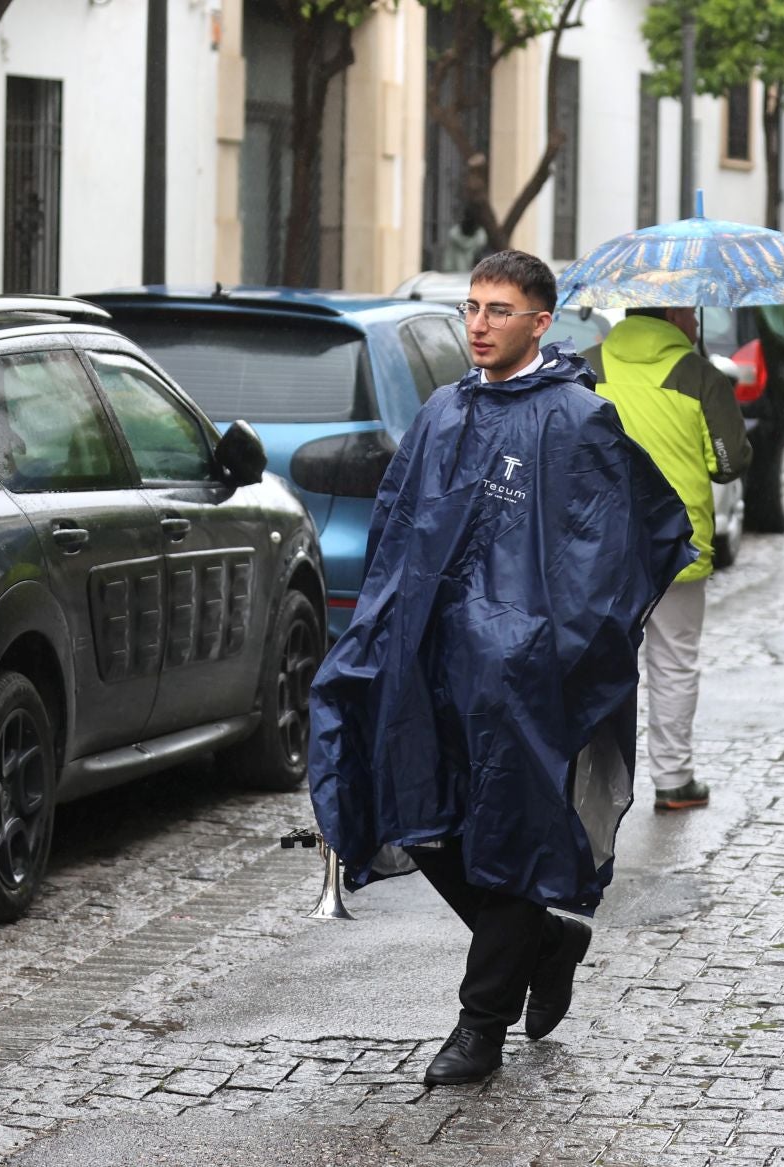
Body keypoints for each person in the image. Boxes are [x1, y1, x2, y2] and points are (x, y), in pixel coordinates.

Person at [307, 250, 694, 1088]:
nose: (478, 323)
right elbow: (399, 533)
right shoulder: (444, 412)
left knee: (511, 836)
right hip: (431, 665)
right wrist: (374, 640)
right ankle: (548, 942)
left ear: (540, 322)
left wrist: (543, 648)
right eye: (472, 307)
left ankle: (479, 1023)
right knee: (425, 819)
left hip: (524, 682)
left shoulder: (577, 421)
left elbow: (620, 545)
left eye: (499, 309)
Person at [583, 307, 751, 810]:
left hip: (601, 547)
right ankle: (674, 780)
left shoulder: (590, 365)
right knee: (674, 664)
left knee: (598, 664)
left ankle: (589, 785)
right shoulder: (698, 375)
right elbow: (729, 463)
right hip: (676, 545)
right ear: (677, 313)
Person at [437, 203, 488, 273]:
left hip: (454, 276)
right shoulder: (480, 238)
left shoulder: (454, 235)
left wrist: (447, 272)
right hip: (474, 276)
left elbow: (448, 261)